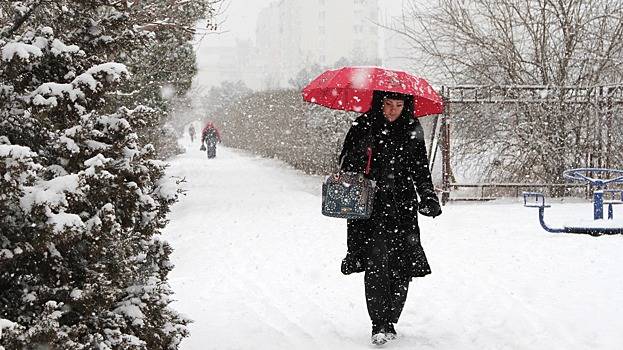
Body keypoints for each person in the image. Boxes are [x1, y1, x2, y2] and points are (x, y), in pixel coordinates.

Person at [339, 90, 442, 345]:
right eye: (388, 104)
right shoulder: (363, 125)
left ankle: (391, 318)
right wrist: (362, 154)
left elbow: (420, 168)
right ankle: (379, 322)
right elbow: (344, 163)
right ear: (379, 103)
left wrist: (428, 196)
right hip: (370, 205)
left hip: (403, 206)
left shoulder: (411, 127)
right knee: (376, 263)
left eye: (399, 104)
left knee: (401, 266)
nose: (393, 110)